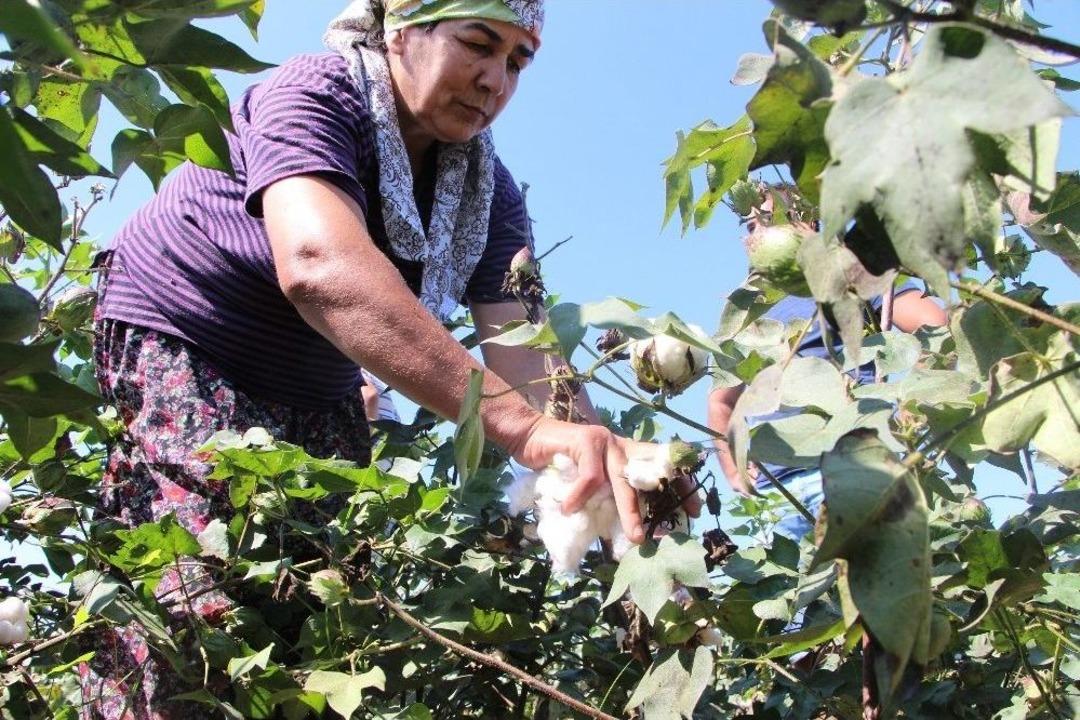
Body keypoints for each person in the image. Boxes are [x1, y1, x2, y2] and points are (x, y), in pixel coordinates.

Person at [86, 2, 696, 716]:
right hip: (188, 335)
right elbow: (319, 265)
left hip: (318, 385)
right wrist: (526, 433)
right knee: (193, 597)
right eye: (478, 43)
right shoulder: (315, 92)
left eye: (518, 61)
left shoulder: (487, 193)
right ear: (401, 30)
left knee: (311, 603)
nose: (495, 79)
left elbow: (531, 355)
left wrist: (617, 477)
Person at [708, 286, 946, 541]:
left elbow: (934, 325)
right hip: (773, 490)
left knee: (864, 574)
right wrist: (734, 471)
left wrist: (912, 407)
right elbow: (721, 401)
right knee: (790, 578)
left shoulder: (850, 279)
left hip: (849, 466)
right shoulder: (748, 308)